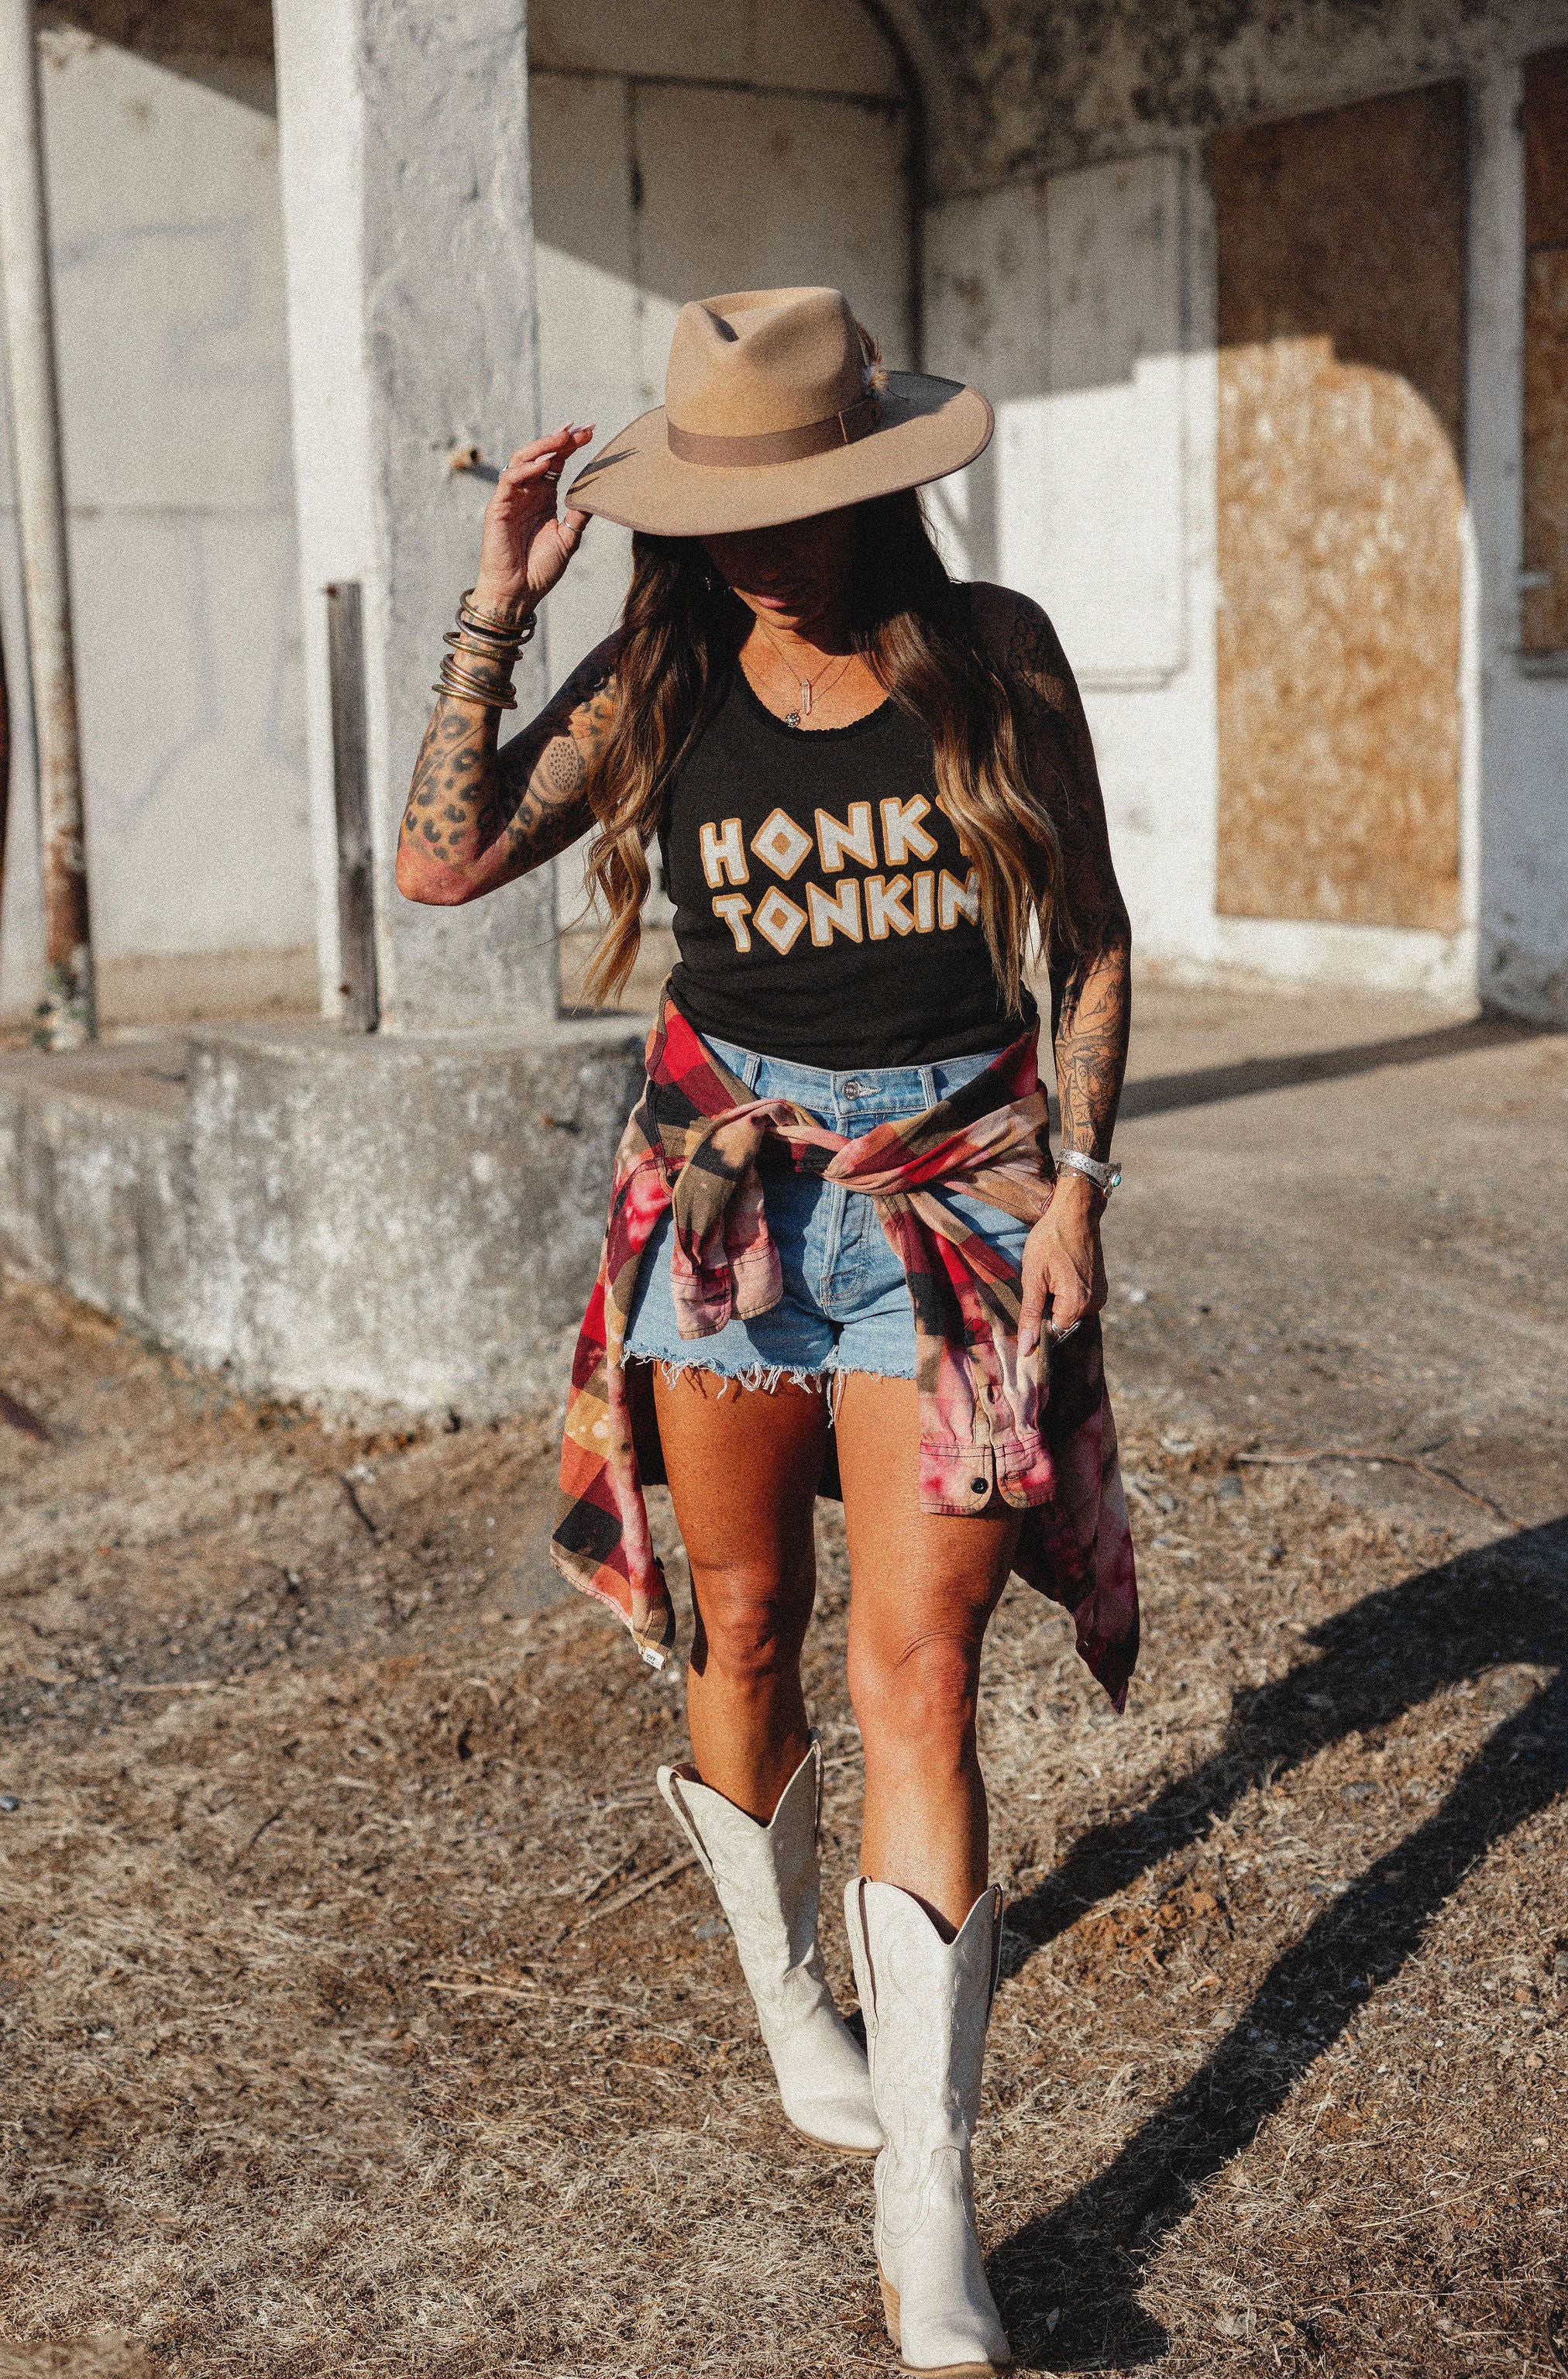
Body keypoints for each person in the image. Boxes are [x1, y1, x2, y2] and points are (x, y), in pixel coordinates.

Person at [397, 287, 1137, 2379]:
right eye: (727, 508)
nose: (763, 544)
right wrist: (499, 601)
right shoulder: (657, 674)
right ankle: (793, 2002)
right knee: (738, 1628)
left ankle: (932, 2197)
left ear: (881, 483)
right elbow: (443, 860)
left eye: (797, 505)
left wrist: (1083, 1179)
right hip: (726, 1203)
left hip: (955, 1201)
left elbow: (1088, 929)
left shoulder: (992, 657)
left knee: (923, 1676)